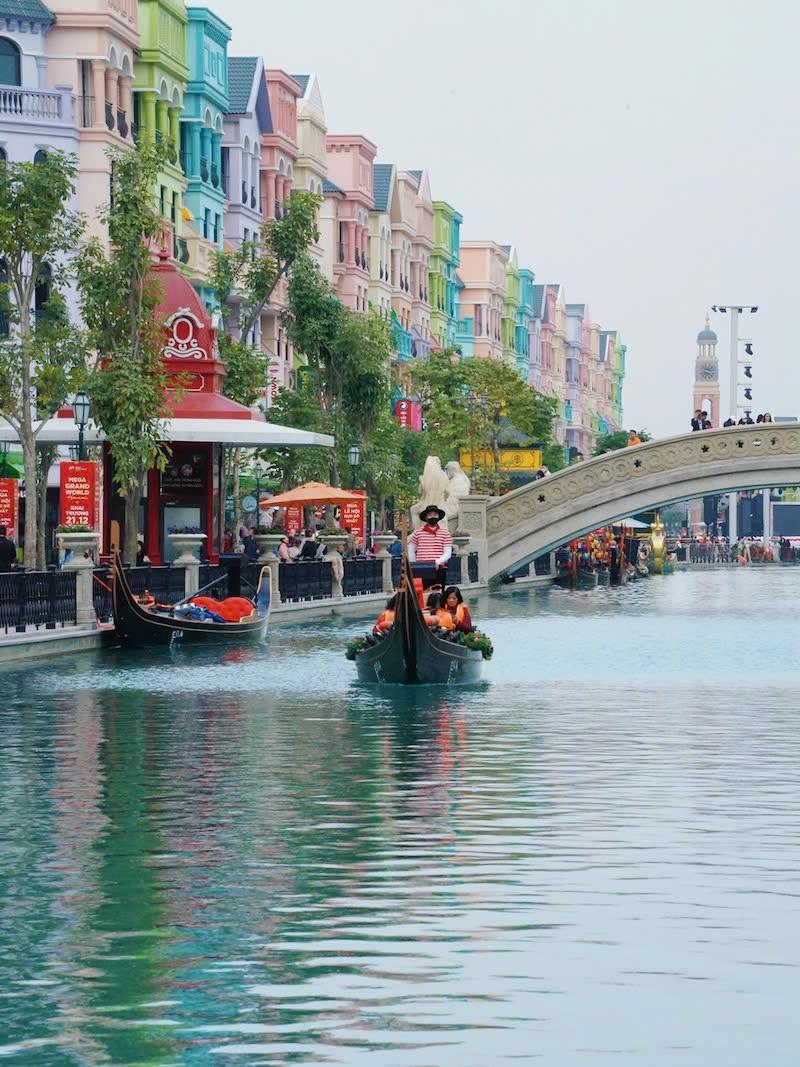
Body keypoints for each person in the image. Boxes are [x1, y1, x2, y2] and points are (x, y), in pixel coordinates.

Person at [408, 504, 452, 588]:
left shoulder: (445, 533)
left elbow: (448, 553)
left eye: (435, 515)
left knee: (438, 593)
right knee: (423, 594)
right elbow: (411, 550)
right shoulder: (417, 533)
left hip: (439, 569)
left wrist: (437, 562)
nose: (433, 517)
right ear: (426, 517)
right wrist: (414, 565)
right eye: (430, 515)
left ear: (438, 517)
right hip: (421, 568)